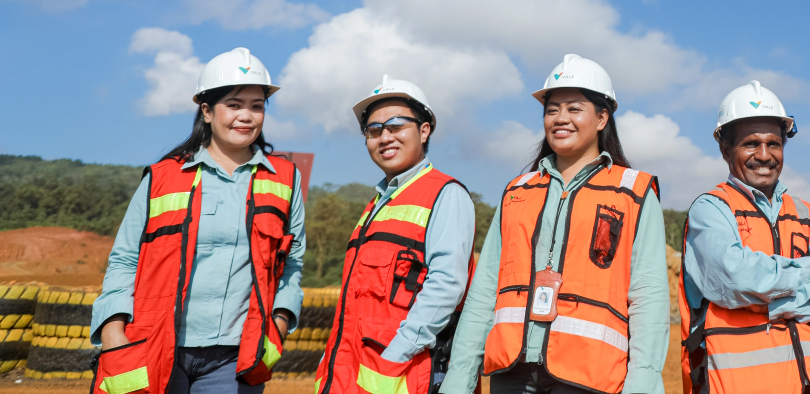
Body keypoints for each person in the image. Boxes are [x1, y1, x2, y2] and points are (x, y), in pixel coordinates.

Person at [441, 54, 669, 394]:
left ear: (603, 117)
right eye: (552, 110)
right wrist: (458, 381)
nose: (561, 119)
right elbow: (485, 291)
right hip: (511, 371)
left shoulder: (633, 193)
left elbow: (649, 297)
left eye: (574, 109)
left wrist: (643, 385)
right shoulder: (518, 192)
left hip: (588, 374)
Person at [90, 47, 304, 394]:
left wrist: (279, 321)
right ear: (206, 111)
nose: (246, 116)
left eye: (257, 105)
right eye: (234, 105)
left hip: (238, 356)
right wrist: (113, 327)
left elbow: (291, 264)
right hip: (156, 345)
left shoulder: (285, 180)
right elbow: (125, 258)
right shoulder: (162, 177)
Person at [678, 80, 810, 394]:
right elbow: (736, 278)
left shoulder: (807, 214)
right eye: (751, 144)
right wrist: (809, 270)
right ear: (725, 149)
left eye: (773, 143)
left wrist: (776, 303)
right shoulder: (710, 209)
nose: (764, 155)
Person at [313, 75, 476, 394]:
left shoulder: (446, 194)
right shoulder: (376, 205)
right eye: (374, 131)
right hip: (350, 373)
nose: (384, 137)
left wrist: (394, 357)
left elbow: (445, 287)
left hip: (400, 376)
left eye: (397, 126)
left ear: (425, 129)